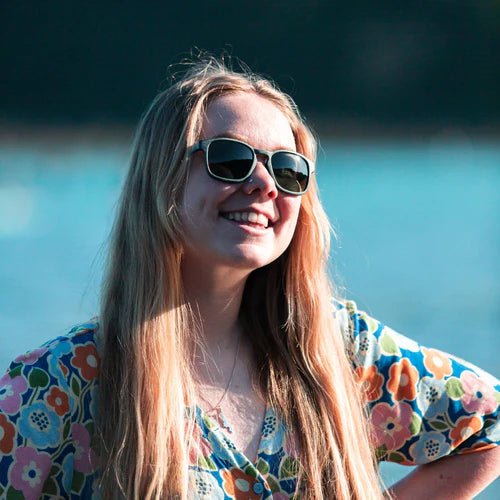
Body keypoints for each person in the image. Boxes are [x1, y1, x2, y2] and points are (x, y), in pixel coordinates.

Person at [0, 57, 499, 500]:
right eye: (230, 159)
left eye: (288, 170)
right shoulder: (60, 384)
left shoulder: (341, 352)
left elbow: (491, 424)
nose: (263, 184)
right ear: (162, 178)